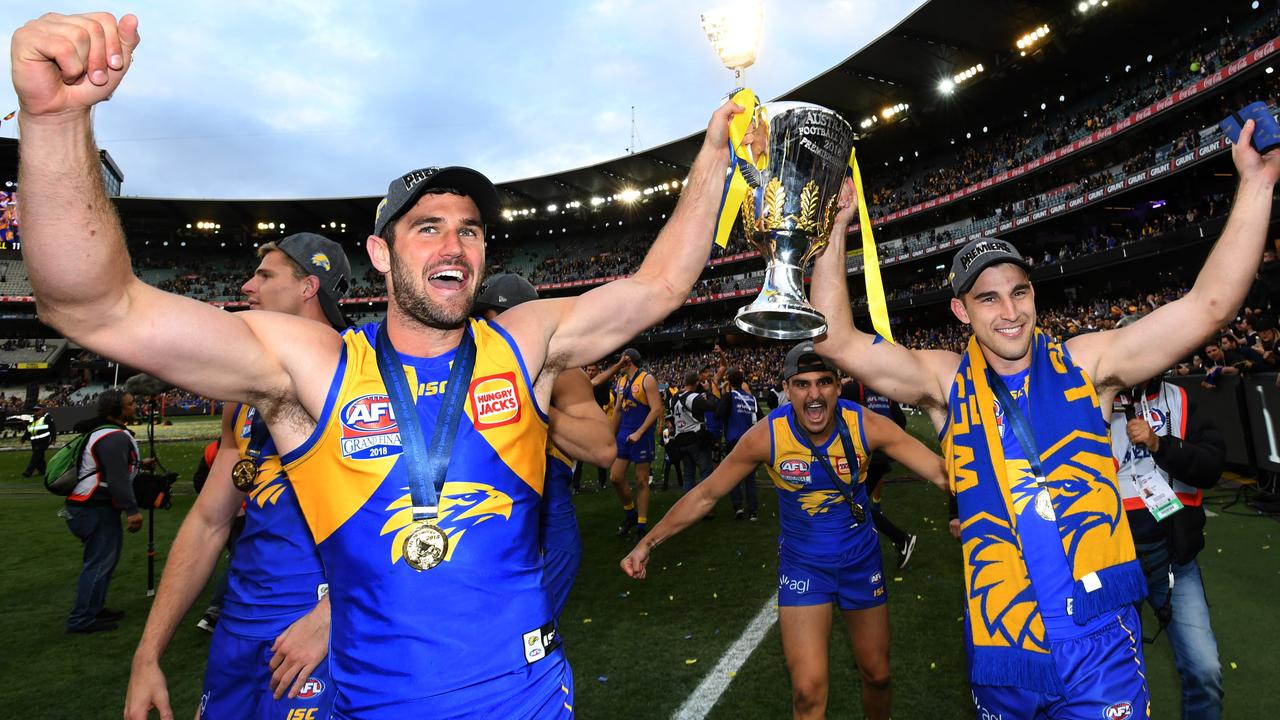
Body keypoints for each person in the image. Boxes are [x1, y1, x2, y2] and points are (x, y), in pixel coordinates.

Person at [12, 12, 737, 716]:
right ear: (383, 255)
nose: (454, 246)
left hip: (532, 701)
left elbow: (661, 285)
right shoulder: (313, 366)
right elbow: (94, 308)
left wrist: (714, 156)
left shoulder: (526, 343)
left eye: (470, 231)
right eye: (428, 229)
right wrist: (53, 122)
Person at [809, 117, 1279, 719]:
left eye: (1019, 292)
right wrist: (833, 231)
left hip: (1100, 640)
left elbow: (1207, 307)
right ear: (960, 309)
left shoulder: (1088, 364)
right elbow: (836, 341)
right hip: (1005, 650)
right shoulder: (945, 383)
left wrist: (1258, 184)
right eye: (987, 298)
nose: (1009, 312)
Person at [621, 342, 949, 720]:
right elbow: (706, 494)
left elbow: (942, 473)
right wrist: (648, 542)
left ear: (838, 386)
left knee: (877, 675)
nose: (814, 394)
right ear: (787, 389)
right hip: (803, 568)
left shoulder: (865, 424)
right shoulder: (767, 435)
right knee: (807, 692)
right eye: (802, 384)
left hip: (861, 562)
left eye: (823, 382)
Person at [127, 233, 352, 720]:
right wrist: (147, 653)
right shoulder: (241, 399)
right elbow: (208, 524)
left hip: (316, 632)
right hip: (238, 628)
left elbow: (419, 516)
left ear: (308, 287)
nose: (247, 287)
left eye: (265, 276)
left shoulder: (362, 377)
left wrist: (334, 614)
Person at [473, 272, 615, 618]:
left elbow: (603, 449)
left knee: (524, 641)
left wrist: (530, 402)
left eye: (498, 323)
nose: (488, 334)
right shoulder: (471, 371)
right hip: (483, 525)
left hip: (544, 525)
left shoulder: (560, 373)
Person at [1112, 375, 1225, 720]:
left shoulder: (1180, 398)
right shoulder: (1090, 396)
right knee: (1108, 684)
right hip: (1111, 567)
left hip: (1174, 562)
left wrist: (1161, 445)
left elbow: (1211, 467)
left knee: (1205, 671)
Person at [64, 388, 143, 633]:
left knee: (102, 560)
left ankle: (93, 608)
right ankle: (82, 618)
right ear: (116, 410)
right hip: (94, 508)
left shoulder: (104, 433)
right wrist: (132, 510)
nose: (135, 407)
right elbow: (117, 478)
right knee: (99, 562)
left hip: (89, 506)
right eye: (130, 404)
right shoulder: (114, 436)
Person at [840, 378, 916, 569]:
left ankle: (901, 539)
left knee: (852, 505)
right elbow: (900, 419)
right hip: (882, 456)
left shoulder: (852, 388)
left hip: (865, 457)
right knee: (855, 504)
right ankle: (899, 540)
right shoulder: (883, 391)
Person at [609, 348, 663, 537]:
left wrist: (640, 432)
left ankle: (641, 523)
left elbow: (656, 409)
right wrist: (610, 436)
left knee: (641, 481)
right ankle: (630, 513)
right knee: (615, 477)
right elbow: (617, 411)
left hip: (642, 436)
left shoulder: (646, 379)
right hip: (624, 435)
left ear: (628, 360)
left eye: (621, 360)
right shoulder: (621, 381)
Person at [667, 370, 717, 494]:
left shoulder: (674, 397)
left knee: (688, 475)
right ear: (696, 383)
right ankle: (704, 507)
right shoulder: (694, 397)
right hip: (695, 438)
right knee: (706, 471)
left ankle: (688, 507)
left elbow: (671, 417)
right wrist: (708, 391)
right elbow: (712, 406)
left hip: (681, 440)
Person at [722, 367, 760, 520]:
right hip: (750, 441)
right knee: (750, 477)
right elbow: (760, 418)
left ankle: (738, 507)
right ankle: (753, 511)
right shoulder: (751, 398)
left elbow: (719, 414)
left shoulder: (729, 396)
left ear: (729, 382)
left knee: (733, 476)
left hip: (733, 439)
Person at [22, 404, 55, 477]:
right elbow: (29, 428)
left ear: (42, 410)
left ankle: (28, 471)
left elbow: (52, 429)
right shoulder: (32, 418)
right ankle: (43, 471)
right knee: (39, 456)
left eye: (37, 410)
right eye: (34, 410)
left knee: (36, 455)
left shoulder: (47, 417)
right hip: (34, 440)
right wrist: (24, 438)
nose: (35, 412)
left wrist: (53, 439)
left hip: (43, 440)